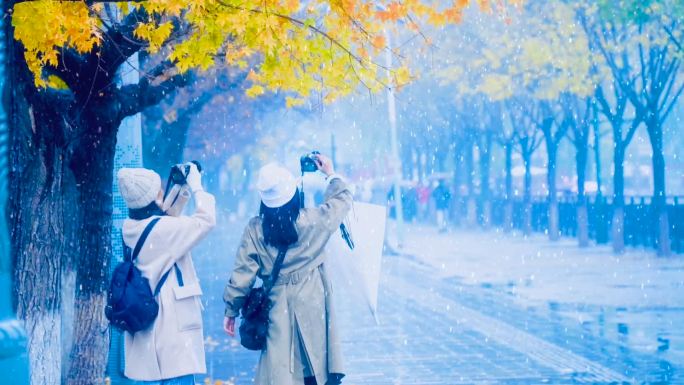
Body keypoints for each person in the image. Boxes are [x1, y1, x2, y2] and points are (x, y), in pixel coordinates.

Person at [223, 154, 352, 385]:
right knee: (315, 360)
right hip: (313, 302)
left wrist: (231, 310)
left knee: (282, 369)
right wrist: (330, 174)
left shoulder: (255, 230)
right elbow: (341, 201)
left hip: (277, 308)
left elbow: (242, 275)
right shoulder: (312, 221)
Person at [117, 165, 216, 385]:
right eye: (159, 189)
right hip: (171, 331)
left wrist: (179, 188)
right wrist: (197, 186)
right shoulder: (164, 231)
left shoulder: (130, 227)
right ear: (154, 197)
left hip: (147, 334)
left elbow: (163, 219)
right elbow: (206, 221)